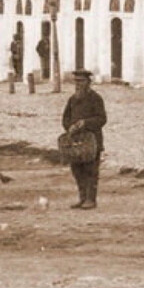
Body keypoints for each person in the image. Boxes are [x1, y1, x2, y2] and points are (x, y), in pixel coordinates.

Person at [61, 70, 107, 209]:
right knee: (77, 169)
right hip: (75, 141)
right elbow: (65, 118)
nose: (78, 84)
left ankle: (91, 199)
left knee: (91, 170)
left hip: (91, 140)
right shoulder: (72, 99)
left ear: (88, 82)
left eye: (81, 81)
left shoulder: (96, 98)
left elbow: (102, 118)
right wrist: (69, 127)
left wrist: (85, 123)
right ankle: (82, 198)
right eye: (76, 81)